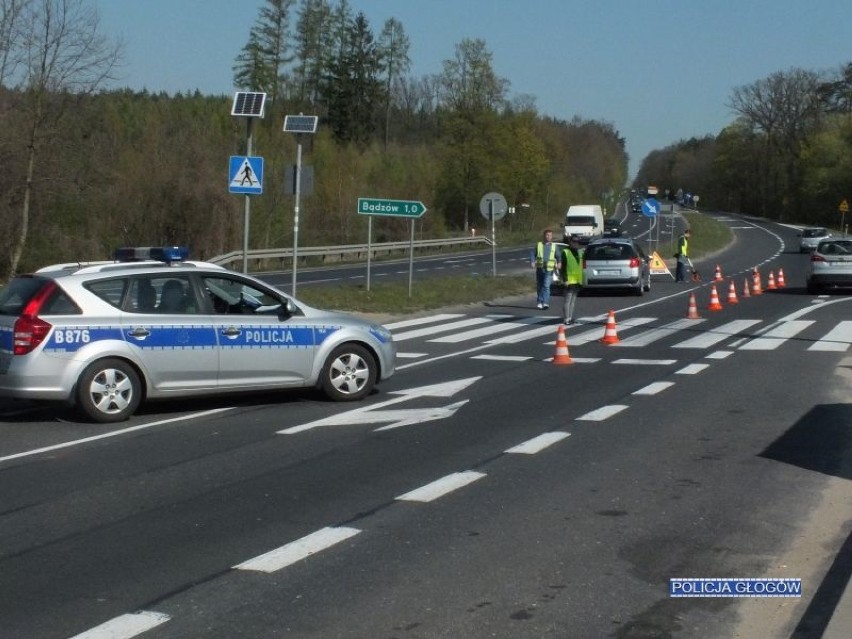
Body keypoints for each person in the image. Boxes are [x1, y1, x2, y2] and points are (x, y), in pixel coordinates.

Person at [530, 229, 560, 309]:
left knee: (546, 285)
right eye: (547, 235)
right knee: (540, 285)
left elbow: (558, 256)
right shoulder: (539, 245)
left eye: (550, 235)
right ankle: (540, 301)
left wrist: (559, 263)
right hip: (540, 268)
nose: (548, 237)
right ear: (544, 236)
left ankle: (546, 302)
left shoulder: (554, 246)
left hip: (549, 270)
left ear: (552, 237)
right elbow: (533, 253)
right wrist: (532, 261)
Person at [560, 236, 584, 324]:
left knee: (573, 301)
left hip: (577, 280)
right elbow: (563, 268)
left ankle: (570, 317)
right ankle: (566, 319)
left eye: (578, 242)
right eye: (574, 242)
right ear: (570, 242)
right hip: (569, 280)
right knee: (567, 300)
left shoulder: (579, 252)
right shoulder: (565, 252)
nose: (576, 243)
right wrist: (565, 279)